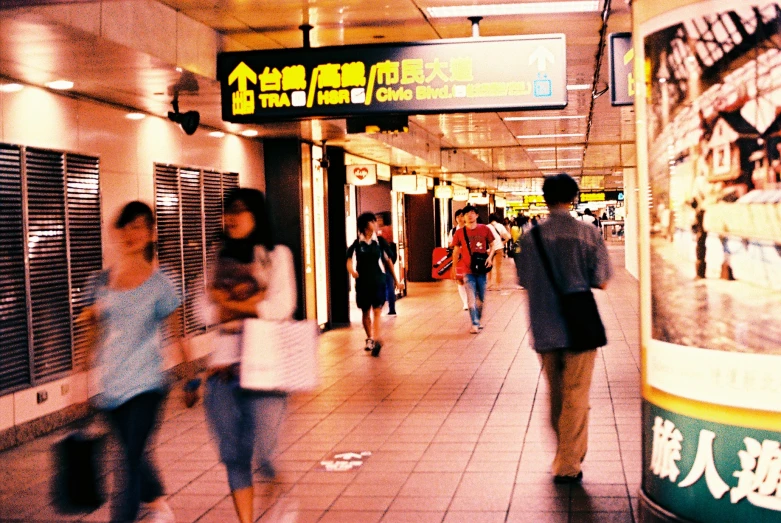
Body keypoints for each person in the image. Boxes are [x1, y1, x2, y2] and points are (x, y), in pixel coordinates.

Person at [82, 201, 188, 523]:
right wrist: (79, 380)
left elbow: (176, 334)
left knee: (126, 462)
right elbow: (92, 335)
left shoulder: (161, 282)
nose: (131, 233)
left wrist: (188, 379)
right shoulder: (100, 282)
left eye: (139, 226)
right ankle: (157, 503)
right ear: (116, 232)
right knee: (134, 453)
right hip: (111, 387)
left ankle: (130, 515)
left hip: (148, 385)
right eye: (125, 226)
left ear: (151, 233)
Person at [204, 188, 296, 523]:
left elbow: (281, 306)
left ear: (257, 215)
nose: (231, 218)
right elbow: (203, 312)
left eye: (240, 210)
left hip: (265, 367)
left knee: (265, 450)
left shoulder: (276, 256)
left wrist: (228, 303)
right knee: (234, 455)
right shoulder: (216, 257)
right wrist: (248, 305)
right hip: (224, 368)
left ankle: (276, 484)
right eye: (228, 211)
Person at [517, 174, 612, 484]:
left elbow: (523, 279)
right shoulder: (587, 233)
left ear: (545, 198)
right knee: (576, 394)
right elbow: (601, 278)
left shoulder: (529, 238)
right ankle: (568, 462)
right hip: (578, 327)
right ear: (573, 197)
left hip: (543, 326)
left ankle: (565, 452)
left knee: (556, 393)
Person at [347, 212, 402, 356]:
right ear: (365, 225)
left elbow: (388, 261)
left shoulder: (380, 242)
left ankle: (377, 339)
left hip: (378, 280)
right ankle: (369, 338)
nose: (376, 223)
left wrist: (396, 280)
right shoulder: (356, 244)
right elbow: (348, 260)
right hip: (363, 282)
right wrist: (352, 271)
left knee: (377, 310)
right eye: (373, 221)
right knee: (366, 311)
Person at [451, 204, 498, 334]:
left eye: (472, 213)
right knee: (471, 299)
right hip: (468, 270)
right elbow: (456, 251)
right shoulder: (459, 232)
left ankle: (478, 319)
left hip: (482, 270)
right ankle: (475, 323)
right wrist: (454, 267)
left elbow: (493, 245)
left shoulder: (484, 229)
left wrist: (490, 257)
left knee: (481, 299)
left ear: (477, 215)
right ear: (463, 217)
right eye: (466, 213)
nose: (469, 215)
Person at [376, 212, 398, 315]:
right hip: (389, 256)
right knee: (389, 284)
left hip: (384, 258)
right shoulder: (391, 229)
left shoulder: (382, 231)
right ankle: (391, 308)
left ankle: (381, 305)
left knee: (387, 284)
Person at [447, 209, 469, 310]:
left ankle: (470, 299)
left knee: (469, 279)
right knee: (460, 279)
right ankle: (465, 302)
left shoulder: (469, 229)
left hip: (469, 257)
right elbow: (450, 244)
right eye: (458, 217)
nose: (460, 218)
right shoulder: (453, 231)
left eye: (461, 216)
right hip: (458, 257)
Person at [487, 213, 512, 290]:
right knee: (498, 267)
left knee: (488, 267)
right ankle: (498, 285)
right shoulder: (500, 226)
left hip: (489, 249)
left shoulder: (487, 227)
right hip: (499, 248)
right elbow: (508, 237)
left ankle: (489, 284)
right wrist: (503, 243)